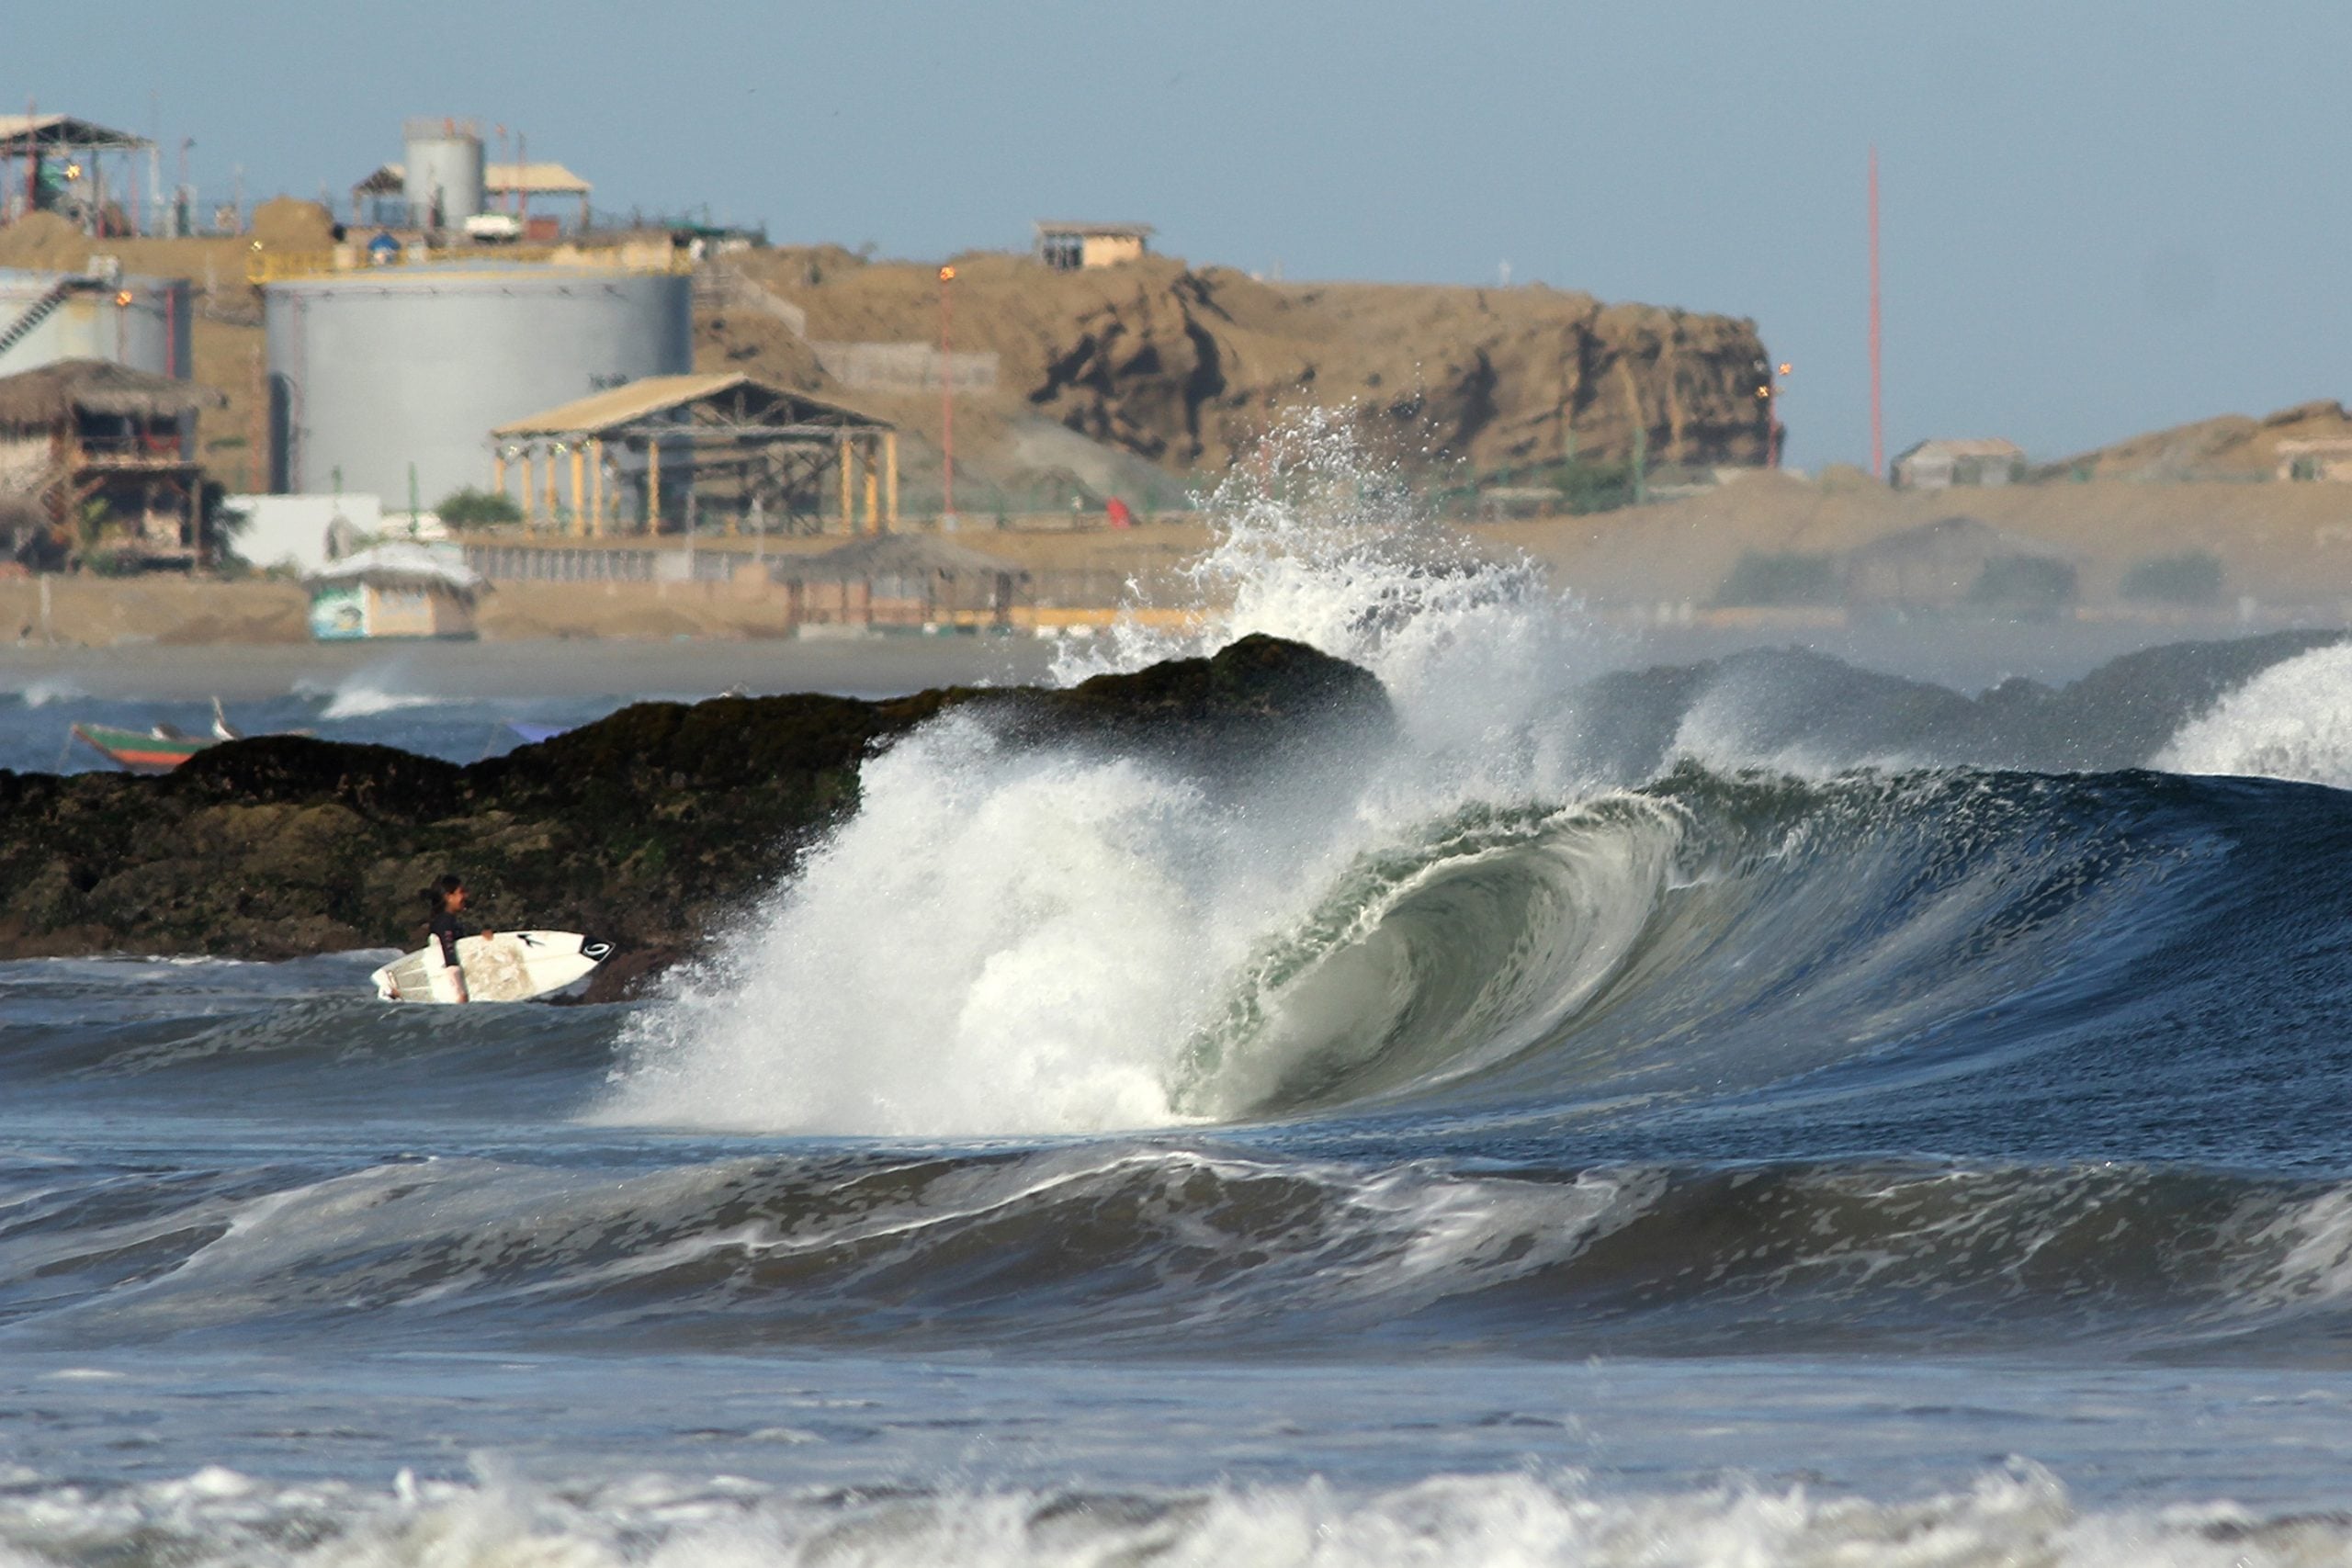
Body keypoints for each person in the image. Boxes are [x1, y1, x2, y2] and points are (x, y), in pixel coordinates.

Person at [424, 875, 494, 1003]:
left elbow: (462, 948)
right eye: (461, 892)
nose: (466, 896)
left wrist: (482, 937)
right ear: (448, 897)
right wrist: (460, 994)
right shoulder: (444, 922)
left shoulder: (449, 921)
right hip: (451, 991)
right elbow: (449, 957)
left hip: (451, 988)